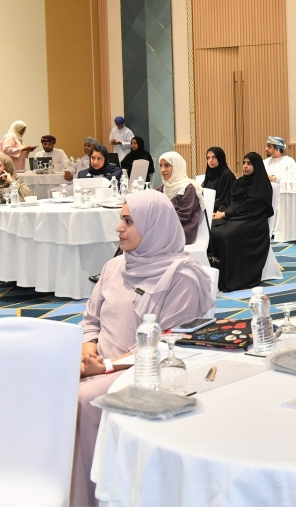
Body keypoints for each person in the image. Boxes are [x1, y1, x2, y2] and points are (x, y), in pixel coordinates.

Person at [74, 190, 215, 507]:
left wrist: (107, 366)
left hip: (144, 370)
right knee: (36, 377)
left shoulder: (182, 277)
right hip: (98, 362)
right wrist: (87, 348)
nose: (119, 228)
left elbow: (169, 343)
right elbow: (91, 319)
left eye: (128, 221)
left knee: (83, 399)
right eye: (121, 220)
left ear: (154, 226)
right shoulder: (115, 266)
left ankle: (91, 497)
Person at [209, 152, 274, 292]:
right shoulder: (238, 183)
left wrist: (226, 213)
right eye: (244, 162)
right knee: (212, 230)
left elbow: (251, 206)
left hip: (253, 221)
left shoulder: (261, 185)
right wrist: (220, 212)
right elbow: (228, 201)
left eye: (249, 163)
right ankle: (218, 276)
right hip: (235, 217)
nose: (245, 166)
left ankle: (232, 278)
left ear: (256, 166)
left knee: (227, 235)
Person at [156, 152, 206, 245]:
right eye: (161, 166)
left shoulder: (188, 188)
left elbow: (182, 216)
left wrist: (156, 223)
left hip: (182, 231)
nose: (162, 170)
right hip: (164, 228)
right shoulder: (163, 188)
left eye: (167, 165)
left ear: (177, 167)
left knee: (143, 238)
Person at [202, 147, 237, 212]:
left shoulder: (227, 175)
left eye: (214, 157)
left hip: (220, 211)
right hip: (207, 209)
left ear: (220, 158)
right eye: (208, 158)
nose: (210, 160)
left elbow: (226, 199)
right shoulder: (209, 174)